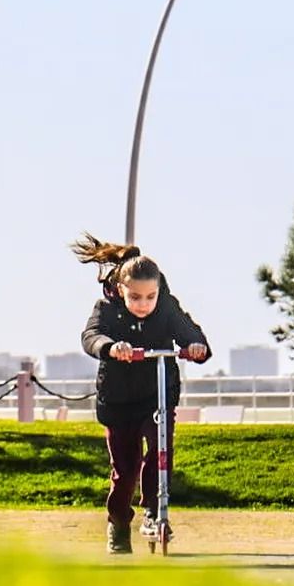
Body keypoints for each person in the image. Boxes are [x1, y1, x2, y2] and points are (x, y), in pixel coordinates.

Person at [75, 234, 210, 554]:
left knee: (160, 455)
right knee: (125, 469)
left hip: (156, 394)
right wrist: (111, 347)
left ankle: (155, 512)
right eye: (135, 297)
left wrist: (196, 348)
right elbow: (90, 336)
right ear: (120, 290)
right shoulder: (106, 308)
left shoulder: (166, 308)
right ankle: (118, 523)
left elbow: (190, 333)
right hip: (119, 400)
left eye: (150, 297)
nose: (143, 304)